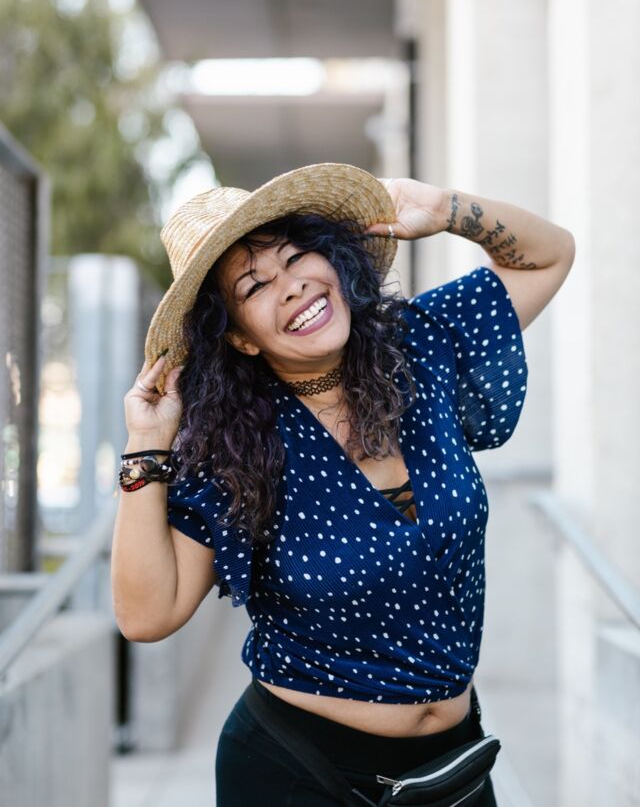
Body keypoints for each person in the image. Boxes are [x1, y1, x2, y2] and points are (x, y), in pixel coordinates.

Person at [111, 163, 575, 805]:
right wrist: (146, 443)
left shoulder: (420, 347)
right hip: (297, 772)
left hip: (451, 766)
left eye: (296, 256)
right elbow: (145, 615)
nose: (293, 286)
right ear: (240, 338)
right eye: (255, 285)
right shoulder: (232, 449)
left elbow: (550, 256)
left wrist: (444, 210)